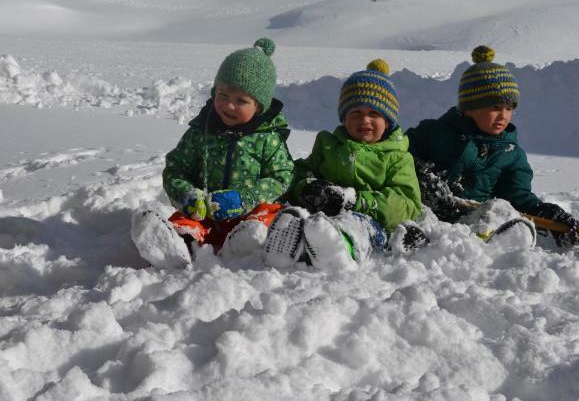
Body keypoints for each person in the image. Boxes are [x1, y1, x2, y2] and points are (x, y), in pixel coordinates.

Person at [131, 38, 295, 268]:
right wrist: (186, 194)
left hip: (248, 214)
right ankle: (177, 246)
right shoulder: (201, 132)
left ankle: (246, 244)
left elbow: (282, 176)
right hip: (205, 215)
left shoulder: (268, 138)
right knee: (185, 220)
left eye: (241, 100)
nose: (228, 105)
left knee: (270, 214)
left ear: (259, 106)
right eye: (223, 95)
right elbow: (176, 168)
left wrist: (245, 199)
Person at [407, 45, 579, 249]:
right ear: (470, 107)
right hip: (427, 216)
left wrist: (544, 212)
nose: (503, 115)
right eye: (494, 107)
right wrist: (421, 176)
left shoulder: (510, 153)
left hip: (472, 222)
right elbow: (397, 156)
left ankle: (503, 240)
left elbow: (517, 196)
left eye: (509, 108)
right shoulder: (435, 132)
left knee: (498, 212)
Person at [264, 59, 425, 270]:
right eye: (355, 113)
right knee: (299, 218)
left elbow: (406, 203)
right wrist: (308, 187)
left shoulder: (397, 157)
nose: (364, 120)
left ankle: (339, 249)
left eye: (374, 114)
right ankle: (287, 247)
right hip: (320, 216)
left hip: (369, 223)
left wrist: (353, 201)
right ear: (344, 118)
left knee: (355, 228)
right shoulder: (329, 145)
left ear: (388, 121)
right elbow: (298, 172)